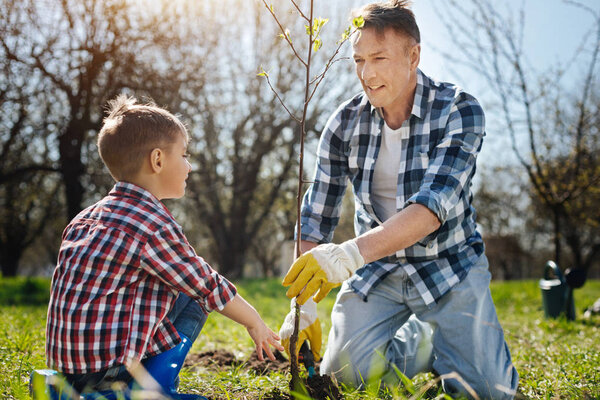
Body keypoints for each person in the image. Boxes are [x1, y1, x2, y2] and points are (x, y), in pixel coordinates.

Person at [279, 1, 519, 398]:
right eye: (358, 60)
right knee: (344, 376)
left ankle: (452, 343)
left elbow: (429, 210)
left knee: (486, 392)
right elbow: (316, 215)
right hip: (378, 272)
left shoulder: (459, 111)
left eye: (379, 58)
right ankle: (424, 342)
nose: (367, 74)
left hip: (449, 267)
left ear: (414, 56)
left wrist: (348, 255)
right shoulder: (343, 124)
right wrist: (302, 304)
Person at [45, 95, 283, 398]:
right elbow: (207, 285)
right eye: (184, 155)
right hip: (107, 370)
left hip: (68, 365)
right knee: (195, 297)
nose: (190, 166)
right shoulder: (151, 223)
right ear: (157, 160)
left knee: (177, 286)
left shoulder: (84, 218)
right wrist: (255, 322)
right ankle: (151, 389)